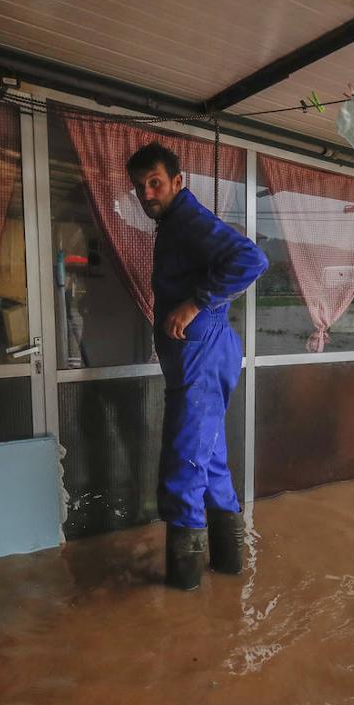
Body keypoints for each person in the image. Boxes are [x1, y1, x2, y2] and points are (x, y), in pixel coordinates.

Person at [127, 141, 268, 590]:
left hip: (203, 352)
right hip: (203, 352)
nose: (147, 193)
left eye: (155, 182)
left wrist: (193, 304)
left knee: (184, 461)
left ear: (177, 182)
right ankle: (228, 568)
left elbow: (252, 259)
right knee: (209, 459)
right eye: (140, 186)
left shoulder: (187, 219)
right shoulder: (173, 225)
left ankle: (183, 586)